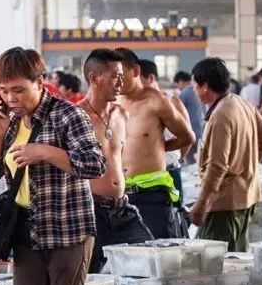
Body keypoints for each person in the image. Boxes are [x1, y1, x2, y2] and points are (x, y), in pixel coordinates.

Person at [0, 48, 105, 285]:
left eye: (18, 89)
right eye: (4, 90)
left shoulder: (68, 115)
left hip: (68, 231)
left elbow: (94, 165)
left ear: (40, 82)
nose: (11, 98)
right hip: (25, 233)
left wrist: (46, 152)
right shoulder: (8, 122)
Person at [190, 58, 262, 251]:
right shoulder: (240, 103)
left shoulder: (220, 115)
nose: (194, 91)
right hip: (246, 195)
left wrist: (201, 205)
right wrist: (246, 164)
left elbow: (217, 166)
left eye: (195, 86)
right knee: (237, 260)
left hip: (224, 203)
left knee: (214, 262)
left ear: (205, 87)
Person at [80, 49, 153, 273]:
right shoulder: (76, 116)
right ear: (94, 78)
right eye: (115, 76)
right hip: (91, 209)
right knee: (91, 276)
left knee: (147, 261)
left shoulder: (122, 113)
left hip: (122, 207)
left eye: (122, 76)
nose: (121, 82)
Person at [115, 48, 195, 239]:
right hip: (121, 194)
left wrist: (158, 147)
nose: (116, 81)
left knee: (156, 253)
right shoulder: (113, 103)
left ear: (135, 71)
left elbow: (187, 137)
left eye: (120, 75)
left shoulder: (157, 100)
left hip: (151, 194)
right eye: (112, 76)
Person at [139, 58, 192, 207]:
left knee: (174, 217)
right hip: (145, 177)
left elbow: (188, 137)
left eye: (139, 80)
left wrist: (175, 157)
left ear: (151, 78)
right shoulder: (136, 106)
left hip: (169, 170)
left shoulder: (172, 102)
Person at [173, 71, 204, 162]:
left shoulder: (186, 92)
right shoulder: (196, 91)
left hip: (191, 131)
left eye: (177, 84)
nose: (177, 87)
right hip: (200, 130)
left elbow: (176, 111)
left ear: (181, 82)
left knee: (189, 161)